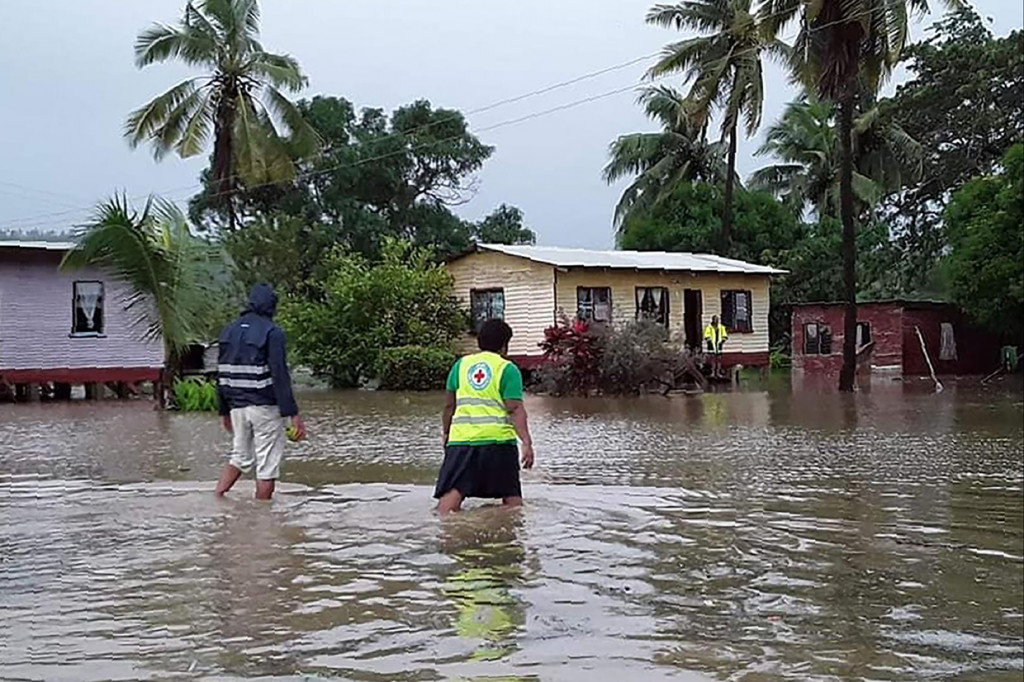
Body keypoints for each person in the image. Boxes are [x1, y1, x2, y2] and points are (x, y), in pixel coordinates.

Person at [214, 283, 306, 500]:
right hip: (264, 407)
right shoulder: (273, 333)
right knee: (266, 465)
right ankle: (263, 518)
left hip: (237, 407)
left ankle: (217, 498)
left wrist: (224, 411)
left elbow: (220, 374)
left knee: (239, 456)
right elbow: (280, 376)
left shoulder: (229, 331)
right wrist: (293, 415)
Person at [435, 319, 535, 514]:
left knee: (448, 505)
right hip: (498, 443)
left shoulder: (460, 366)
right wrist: (526, 442)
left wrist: (447, 433)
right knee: (512, 502)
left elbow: (449, 406)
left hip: (461, 442)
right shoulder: (507, 369)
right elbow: (514, 408)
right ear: (505, 345)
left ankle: (445, 536)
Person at [704, 314, 728, 379]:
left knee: (719, 360)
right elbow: (706, 336)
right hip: (711, 346)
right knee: (713, 360)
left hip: (719, 346)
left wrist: (722, 342)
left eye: (717, 320)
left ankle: (718, 373)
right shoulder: (709, 327)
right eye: (715, 320)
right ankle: (712, 373)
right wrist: (709, 342)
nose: (716, 321)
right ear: (713, 320)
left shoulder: (721, 327)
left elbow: (725, 336)